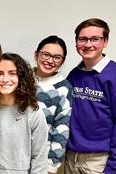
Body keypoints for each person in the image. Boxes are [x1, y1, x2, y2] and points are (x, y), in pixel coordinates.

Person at [65, 18, 116, 174]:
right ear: (76, 42)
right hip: (71, 157)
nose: (88, 44)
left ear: (105, 42)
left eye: (95, 39)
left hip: (98, 162)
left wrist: (113, 168)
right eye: (82, 39)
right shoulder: (74, 74)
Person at [33, 35, 73, 173]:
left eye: (57, 57)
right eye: (46, 54)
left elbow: (62, 128)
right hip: (13, 156)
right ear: (36, 54)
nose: (50, 60)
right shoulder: (21, 79)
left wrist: (51, 165)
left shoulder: (63, 88)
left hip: (41, 162)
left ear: (62, 61)